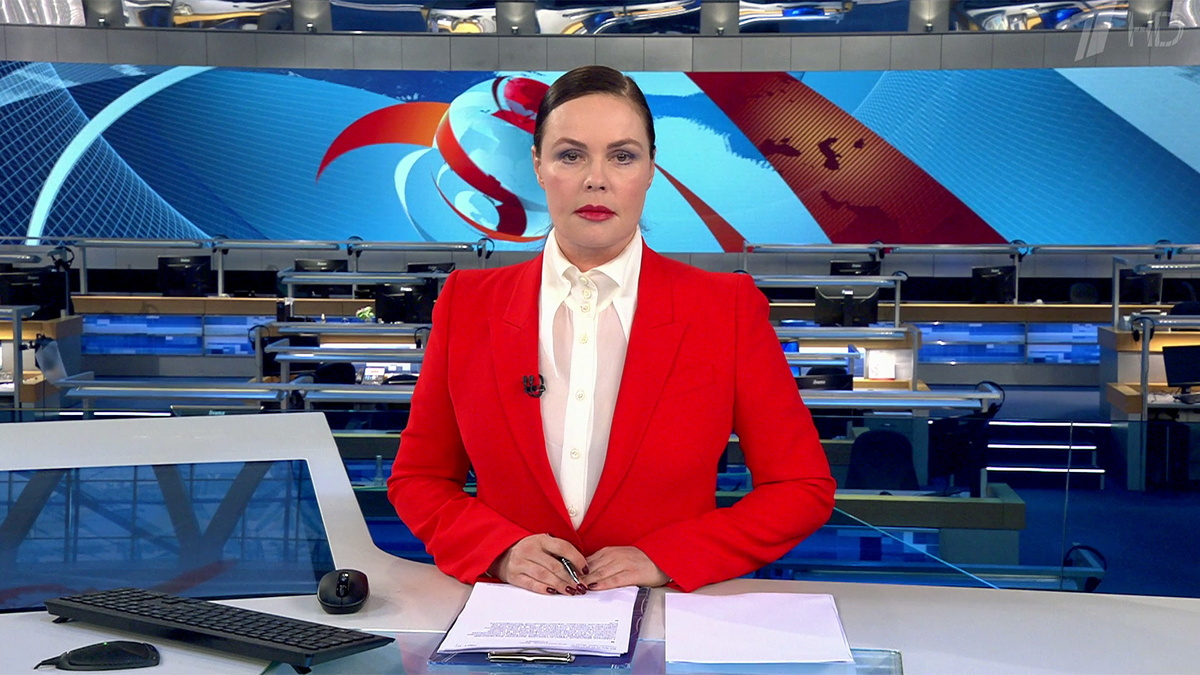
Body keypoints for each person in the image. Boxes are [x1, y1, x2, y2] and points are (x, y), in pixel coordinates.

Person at [388, 65, 834, 595]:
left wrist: (670, 557)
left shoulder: (725, 308)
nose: (596, 179)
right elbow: (418, 479)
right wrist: (499, 551)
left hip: (666, 614)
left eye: (622, 156)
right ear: (537, 166)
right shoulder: (468, 303)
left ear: (650, 170)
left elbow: (800, 486)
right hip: (510, 617)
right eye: (570, 155)